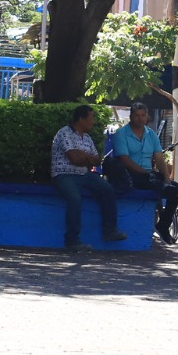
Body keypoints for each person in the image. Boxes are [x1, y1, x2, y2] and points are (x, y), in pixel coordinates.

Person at [50, 105, 128, 248]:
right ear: (81, 119)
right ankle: (72, 240)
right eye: (91, 118)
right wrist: (87, 157)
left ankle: (110, 231)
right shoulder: (64, 133)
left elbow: (97, 160)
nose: (93, 122)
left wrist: (83, 156)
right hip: (64, 175)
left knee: (107, 189)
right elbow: (74, 159)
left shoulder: (87, 138)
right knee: (75, 199)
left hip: (84, 174)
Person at [111, 102, 178, 244]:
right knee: (152, 180)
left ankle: (163, 226)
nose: (140, 118)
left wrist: (166, 178)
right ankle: (162, 187)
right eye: (136, 115)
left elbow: (159, 159)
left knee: (175, 189)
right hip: (129, 175)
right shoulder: (121, 134)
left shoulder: (151, 135)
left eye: (143, 115)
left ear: (147, 116)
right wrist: (145, 172)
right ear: (131, 116)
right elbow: (124, 159)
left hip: (148, 174)